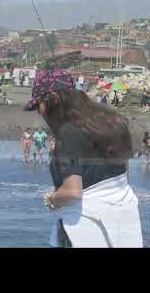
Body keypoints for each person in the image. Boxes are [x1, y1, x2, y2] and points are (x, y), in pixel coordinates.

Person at [24, 68, 142, 247]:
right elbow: (122, 176)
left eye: (38, 104)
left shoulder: (68, 132)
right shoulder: (114, 122)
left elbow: (72, 192)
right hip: (125, 223)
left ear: (54, 99)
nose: (39, 112)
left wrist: (51, 199)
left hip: (82, 228)